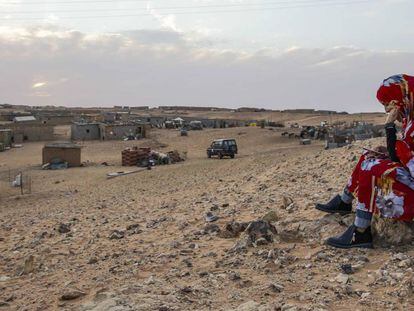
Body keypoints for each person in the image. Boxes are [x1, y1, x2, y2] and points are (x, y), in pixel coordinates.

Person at [315, 74, 414, 248]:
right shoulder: (409, 118)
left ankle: (360, 232)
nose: (386, 110)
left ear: (399, 98)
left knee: (371, 166)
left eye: (387, 104)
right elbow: (406, 153)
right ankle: (344, 202)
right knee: (369, 157)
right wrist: (390, 152)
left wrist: (390, 127)